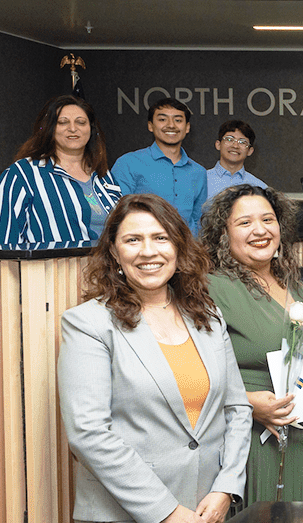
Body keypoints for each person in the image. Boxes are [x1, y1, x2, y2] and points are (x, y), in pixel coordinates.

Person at [58, 194, 251, 523]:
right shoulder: (88, 324)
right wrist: (168, 512)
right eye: (133, 240)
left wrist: (226, 486)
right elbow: (88, 433)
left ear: (177, 247)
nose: (148, 251)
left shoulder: (208, 316)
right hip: (123, 512)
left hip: (208, 507)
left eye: (160, 237)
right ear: (115, 252)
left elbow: (237, 408)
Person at [200, 184, 303, 504]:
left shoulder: (293, 282)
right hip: (254, 438)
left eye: (267, 219)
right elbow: (189, 376)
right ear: (224, 233)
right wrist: (246, 403)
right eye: (244, 223)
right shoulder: (210, 287)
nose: (259, 230)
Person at [0, 95, 121, 247]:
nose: (72, 128)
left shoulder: (104, 176)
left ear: (91, 129)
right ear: (49, 128)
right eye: (63, 122)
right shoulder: (23, 173)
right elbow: (5, 239)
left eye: (81, 122)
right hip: (51, 269)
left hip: (107, 268)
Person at [112, 97, 208, 235]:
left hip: (187, 251)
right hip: (145, 249)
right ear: (150, 125)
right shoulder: (128, 163)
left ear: (187, 127)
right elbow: (118, 214)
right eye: (162, 119)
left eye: (178, 120)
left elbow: (199, 219)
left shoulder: (199, 172)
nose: (171, 125)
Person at [206, 120, 266, 201]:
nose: (235, 146)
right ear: (218, 144)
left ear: (250, 151)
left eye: (242, 142)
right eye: (230, 139)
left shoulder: (260, 187)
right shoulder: (200, 180)